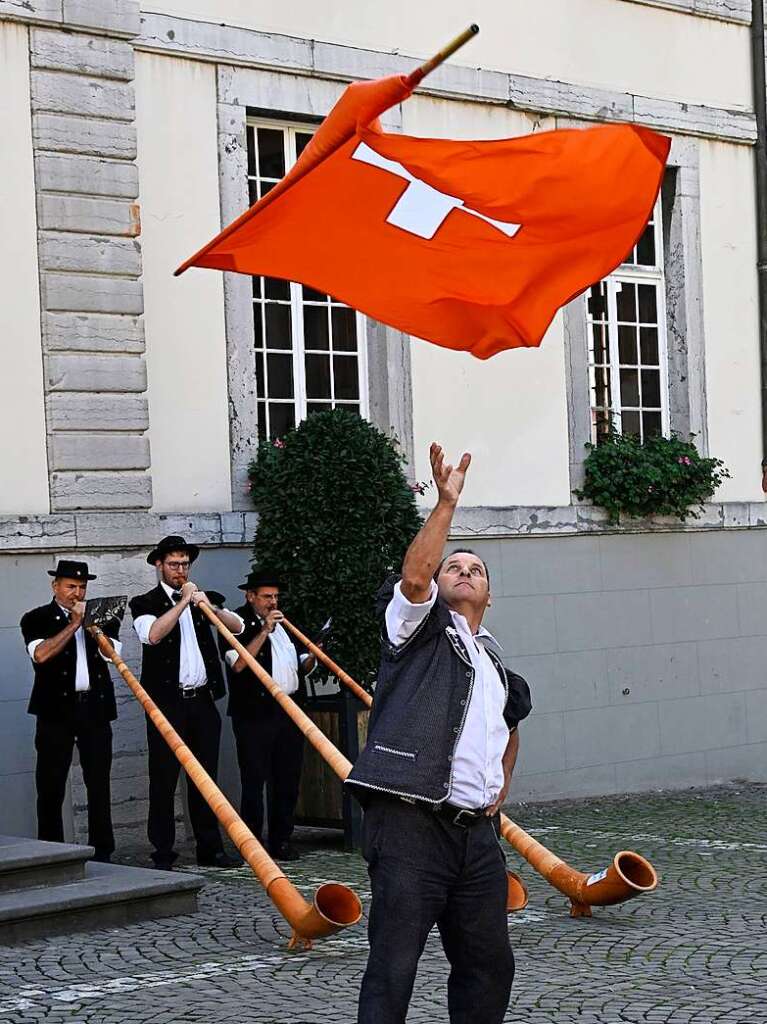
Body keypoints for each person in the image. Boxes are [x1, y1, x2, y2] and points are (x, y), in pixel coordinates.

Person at [347, 444, 532, 1024]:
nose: (464, 571)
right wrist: (445, 505)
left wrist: (500, 781)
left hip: (477, 835)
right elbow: (415, 574)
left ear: (489, 594)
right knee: (394, 966)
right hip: (410, 826)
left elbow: (510, 725)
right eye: (456, 565)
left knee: (489, 964)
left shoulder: (495, 663)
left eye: (476, 569)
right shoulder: (416, 631)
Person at [129, 535, 244, 870]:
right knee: (163, 778)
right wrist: (181, 603)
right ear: (159, 566)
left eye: (184, 564)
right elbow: (152, 635)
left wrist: (210, 606)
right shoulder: (145, 602)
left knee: (206, 777)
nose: (180, 570)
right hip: (167, 704)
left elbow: (236, 627)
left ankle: (210, 848)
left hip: (202, 702)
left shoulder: (201, 600)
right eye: (173, 564)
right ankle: (163, 853)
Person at [20, 559, 122, 862]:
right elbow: (41, 654)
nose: (76, 593)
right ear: (56, 587)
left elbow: (113, 655)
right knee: (50, 785)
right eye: (70, 586)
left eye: (81, 587)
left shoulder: (101, 614)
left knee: (99, 783)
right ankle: (52, 853)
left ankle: (102, 851)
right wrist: (74, 624)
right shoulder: (36, 618)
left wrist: (91, 624)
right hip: (55, 711)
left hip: (95, 708)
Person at [219, 569, 315, 861]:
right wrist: (264, 631)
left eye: (275, 596)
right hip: (255, 714)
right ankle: (252, 845)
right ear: (250, 597)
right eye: (266, 597)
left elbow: (300, 666)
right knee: (254, 779)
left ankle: (281, 840)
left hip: (290, 711)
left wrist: (313, 655)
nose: (273, 602)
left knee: (287, 778)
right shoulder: (237, 623)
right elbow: (238, 665)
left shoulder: (286, 623)